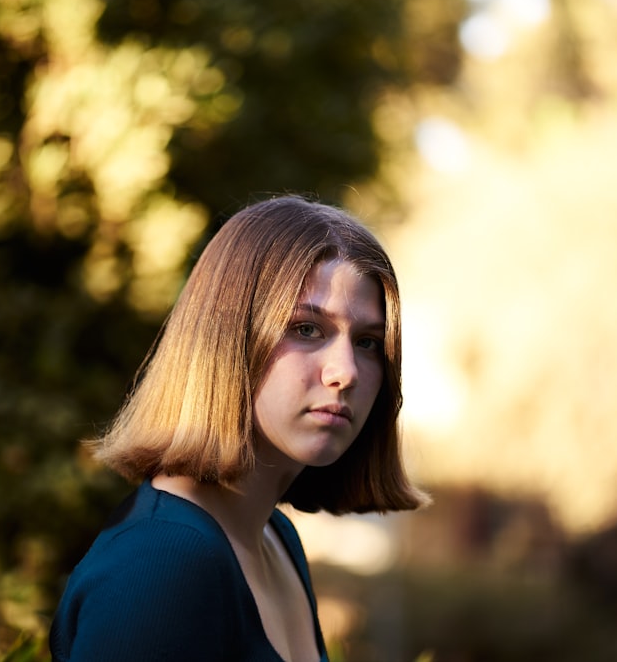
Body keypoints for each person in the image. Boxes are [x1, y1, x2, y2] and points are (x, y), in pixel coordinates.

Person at [50, 195, 427, 662]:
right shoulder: (159, 563)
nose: (346, 371)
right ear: (228, 337)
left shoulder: (276, 539)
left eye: (368, 342)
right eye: (307, 329)